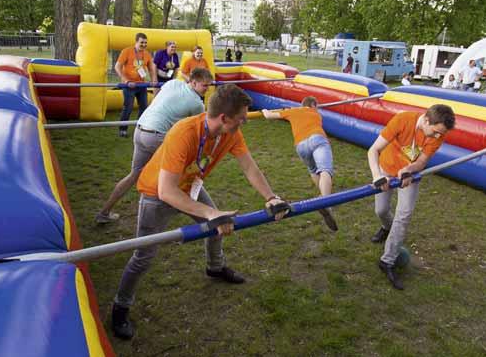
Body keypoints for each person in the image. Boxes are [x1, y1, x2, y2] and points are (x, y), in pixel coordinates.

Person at [111, 84, 290, 340]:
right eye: (240, 118)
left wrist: (271, 197)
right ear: (224, 118)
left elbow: (250, 168)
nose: (244, 123)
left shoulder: (231, 133)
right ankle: (120, 306)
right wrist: (209, 214)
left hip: (190, 188)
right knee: (143, 256)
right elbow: (167, 191)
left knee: (215, 228)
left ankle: (215, 268)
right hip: (157, 194)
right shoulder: (183, 132)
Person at [95, 68, 215, 224]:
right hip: (156, 135)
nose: (207, 89)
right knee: (182, 174)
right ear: (193, 82)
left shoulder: (173, 83)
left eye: (209, 85)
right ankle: (202, 212)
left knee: (135, 175)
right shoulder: (197, 104)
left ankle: (104, 213)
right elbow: (194, 131)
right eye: (205, 86)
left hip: (140, 129)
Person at [368, 104, 455, 290]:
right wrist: (377, 176)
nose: (438, 136)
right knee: (381, 210)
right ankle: (386, 228)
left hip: (409, 175)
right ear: (425, 120)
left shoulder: (438, 134)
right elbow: (373, 150)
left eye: (441, 133)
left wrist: (409, 169)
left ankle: (387, 261)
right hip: (385, 169)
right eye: (435, 131)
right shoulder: (402, 120)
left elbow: (422, 161)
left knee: (404, 215)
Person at [262, 96, 338, 232]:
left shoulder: (293, 111)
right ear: (313, 105)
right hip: (317, 138)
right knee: (325, 170)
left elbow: (268, 116)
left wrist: (264, 110)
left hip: (301, 145)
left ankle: (323, 197)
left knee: (313, 170)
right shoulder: (316, 113)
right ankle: (326, 203)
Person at [115, 32, 158, 138]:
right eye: (141, 42)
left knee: (144, 107)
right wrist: (126, 81)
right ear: (136, 42)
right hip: (129, 86)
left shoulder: (147, 54)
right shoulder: (127, 51)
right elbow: (117, 67)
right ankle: (123, 129)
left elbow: (152, 69)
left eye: (145, 43)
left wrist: (153, 80)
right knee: (128, 107)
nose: (144, 45)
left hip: (141, 85)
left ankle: (140, 128)